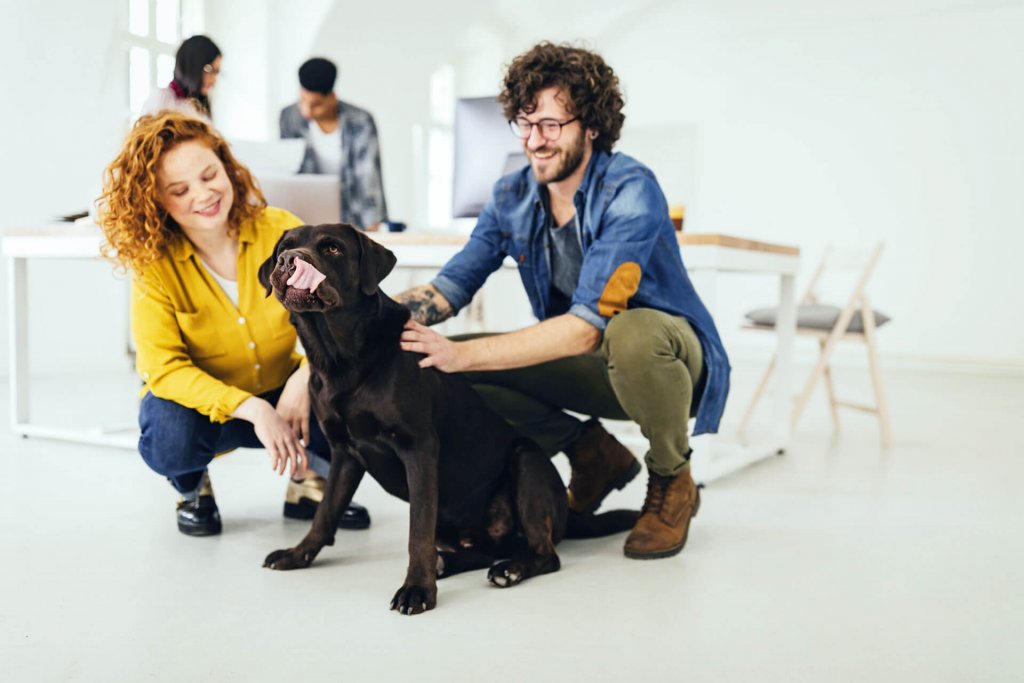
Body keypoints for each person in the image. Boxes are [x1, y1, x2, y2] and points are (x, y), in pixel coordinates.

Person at [397, 42, 730, 560]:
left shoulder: (630, 189)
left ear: (591, 125)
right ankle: (591, 453)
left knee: (632, 331)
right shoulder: (510, 196)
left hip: (670, 362)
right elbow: (448, 289)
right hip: (593, 365)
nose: (535, 141)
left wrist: (461, 351)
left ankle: (673, 480)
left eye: (551, 125)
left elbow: (585, 329)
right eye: (525, 124)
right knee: (437, 369)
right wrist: (358, 322)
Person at [97, 112, 370, 537]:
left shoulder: (281, 230)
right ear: (156, 201)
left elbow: (341, 317)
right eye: (180, 190)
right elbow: (163, 368)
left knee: (356, 392)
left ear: (227, 167)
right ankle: (191, 486)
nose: (204, 195)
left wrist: (304, 378)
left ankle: (309, 481)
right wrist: (254, 409)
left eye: (210, 175)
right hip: (212, 410)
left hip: (289, 394)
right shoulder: (153, 266)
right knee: (169, 438)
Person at [279, 57, 388, 231]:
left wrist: (372, 228)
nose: (306, 112)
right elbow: (289, 172)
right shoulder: (289, 117)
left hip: (354, 218)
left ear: (332, 98)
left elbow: (369, 178)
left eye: (316, 105)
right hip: (306, 216)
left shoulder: (361, 121)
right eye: (302, 101)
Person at [140, 35, 222, 122]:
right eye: (210, 70)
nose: (214, 81)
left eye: (217, 73)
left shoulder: (201, 108)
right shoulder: (161, 101)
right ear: (192, 66)